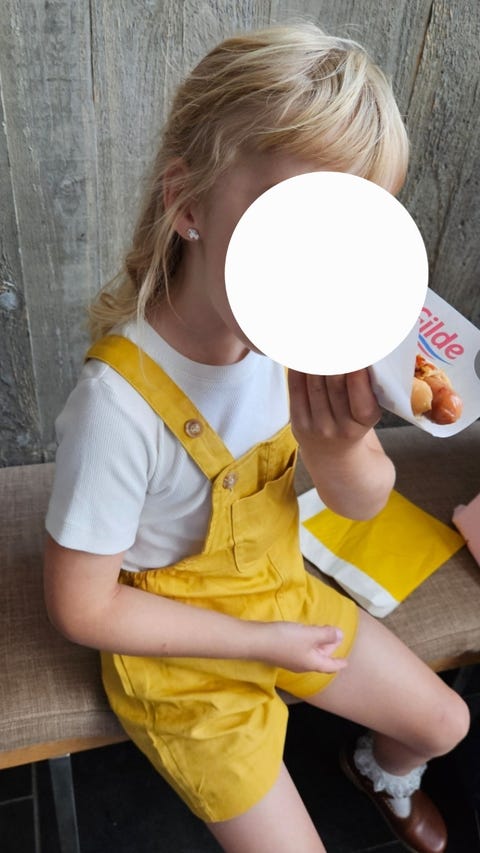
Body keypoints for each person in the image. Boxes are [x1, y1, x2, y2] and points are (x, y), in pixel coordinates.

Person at [43, 23, 469, 853]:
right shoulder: (116, 408)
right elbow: (81, 605)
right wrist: (259, 644)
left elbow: (363, 499)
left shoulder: (305, 342)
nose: (323, 270)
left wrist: (341, 452)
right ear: (189, 204)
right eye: (290, 225)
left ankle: (382, 772)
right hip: (178, 658)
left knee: (445, 721)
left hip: (279, 594)